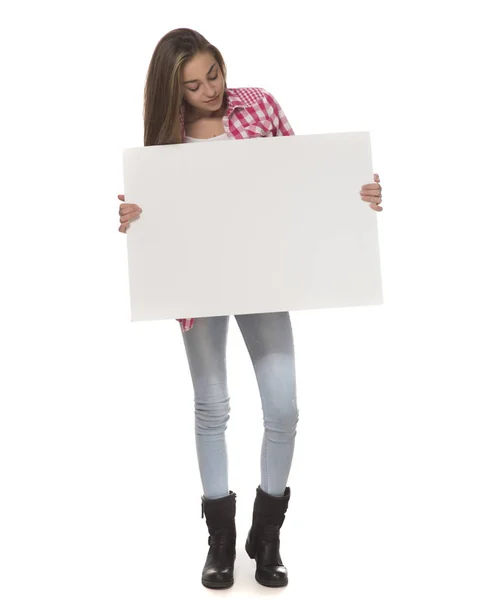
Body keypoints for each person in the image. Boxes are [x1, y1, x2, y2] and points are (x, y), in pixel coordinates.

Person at [117, 27, 383, 590]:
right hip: (200, 283)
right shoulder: (164, 138)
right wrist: (136, 220)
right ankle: (219, 542)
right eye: (192, 85)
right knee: (211, 407)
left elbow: (305, 175)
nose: (209, 90)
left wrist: (356, 193)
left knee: (283, 409)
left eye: (213, 74)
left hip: (263, 277)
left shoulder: (258, 105)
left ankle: (267, 537)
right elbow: (160, 217)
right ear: (174, 92)